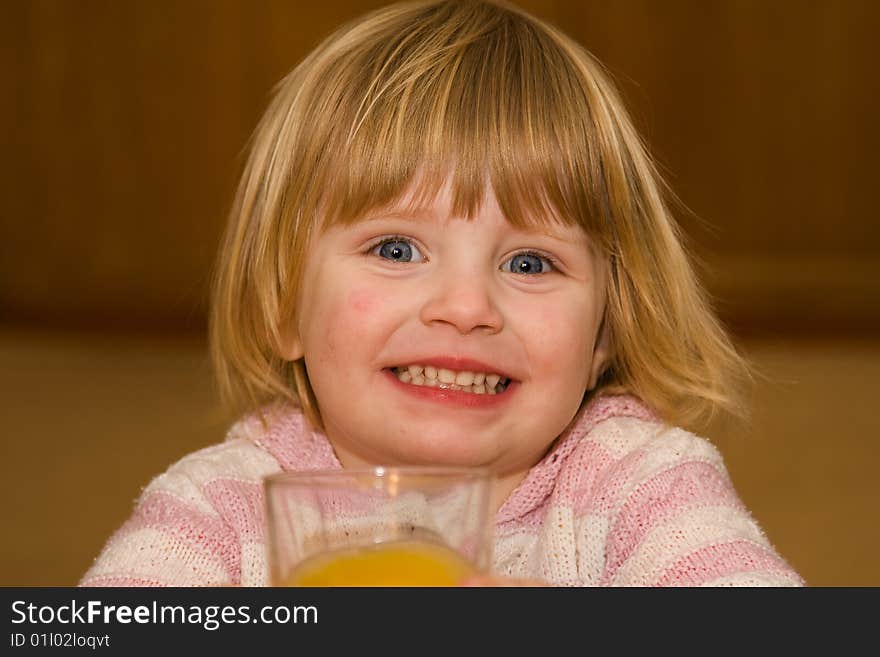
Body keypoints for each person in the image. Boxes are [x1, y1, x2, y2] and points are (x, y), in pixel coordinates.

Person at [81, 0, 803, 587]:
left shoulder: (640, 485)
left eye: (529, 263)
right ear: (281, 303)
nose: (465, 307)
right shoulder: (225, 505)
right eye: (396, 249)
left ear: (604, 334)